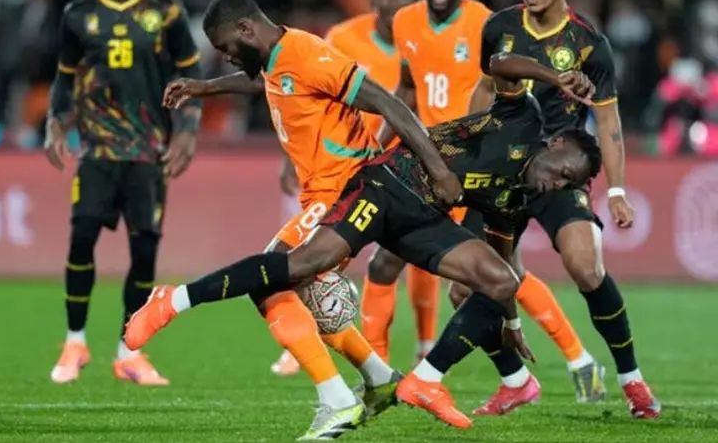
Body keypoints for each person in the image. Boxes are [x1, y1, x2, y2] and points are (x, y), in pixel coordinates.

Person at [126, 49, 598, 429]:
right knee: (301, 265)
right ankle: (175, 300)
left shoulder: (517, 197)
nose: (558, 184)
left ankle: (424, 380)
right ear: (557, 144)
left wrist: (509, 318)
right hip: (390, 182)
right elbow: (499, 64)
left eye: (568, 185)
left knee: (501, 280)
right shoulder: (525, 120)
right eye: (565, 172)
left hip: (424, 218)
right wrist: (554, 78)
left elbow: (500, 258)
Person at [127, 0, 459, 440]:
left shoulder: (306, 53)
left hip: (344, 190)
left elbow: (387, 102)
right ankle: (379, 378)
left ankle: (335, 398)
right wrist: (205, 87)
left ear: (246, 29)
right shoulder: (277, 59)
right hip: (326, 191)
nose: (227, 57)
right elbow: (266, 82)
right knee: (296, 290)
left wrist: (438, 170)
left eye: (227, 48)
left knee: (268, 279)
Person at [365, 0, 604, 406]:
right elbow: (408, 88)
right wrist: (379, 144)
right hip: (431, 164)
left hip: (480, 167)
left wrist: (487, 136)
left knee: (498, 274)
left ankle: (577, 359)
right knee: (394, 264)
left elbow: (497, 81)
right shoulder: (406, 21)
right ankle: (382, 371)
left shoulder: (484, 22)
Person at [466, 0, 660, 419]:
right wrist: (471, 149)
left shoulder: (589, 44)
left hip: (557, 170)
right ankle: (515, 381)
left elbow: (609, 122)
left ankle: (632, 381)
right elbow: (485, 91)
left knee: (586, 266)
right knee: (465, 286)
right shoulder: (498, 28)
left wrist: (616, 190)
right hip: (502, 171)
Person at [45, 0, 202, 386]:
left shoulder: (166, 12)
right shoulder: (78, 14)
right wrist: (55, 121)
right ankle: (75, 342)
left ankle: (128, 353)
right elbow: (65, 78)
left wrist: (187, 133)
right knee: (81, 236)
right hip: (97, 148)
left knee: (144, 251)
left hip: (148, 151)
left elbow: (191, 77)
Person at [270, 0, 417, 377]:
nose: (393, 3)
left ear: (414, 2)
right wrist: (289, 158)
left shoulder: (422, 40)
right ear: (373, 0)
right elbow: (300, 88)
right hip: (345, 163)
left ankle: (420, 350)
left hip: (401, 161)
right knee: (318, 256)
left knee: (398, 259)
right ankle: (315, 335)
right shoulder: (343, 37)